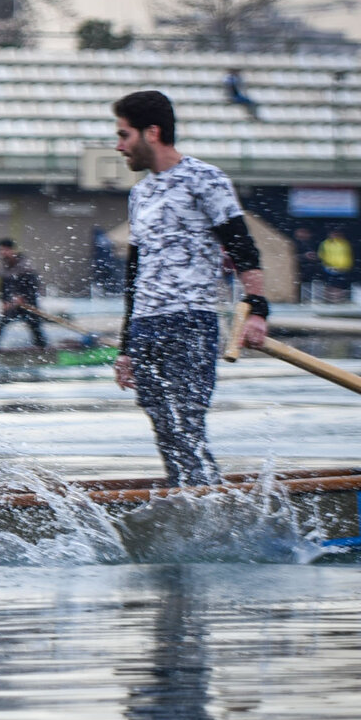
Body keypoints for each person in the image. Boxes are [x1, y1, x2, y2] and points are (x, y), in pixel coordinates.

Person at [112, 89, 269, 488]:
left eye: (124, 135)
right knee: (164, 427)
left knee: (186, 425)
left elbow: (241, 246)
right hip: (146, 325)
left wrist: (258, 309)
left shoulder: (205, 178)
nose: (119, 146)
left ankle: (208, 505)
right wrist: (125, 347)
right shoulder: (140, 193)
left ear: (152, 133)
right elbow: (135, 272)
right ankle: (190, 496)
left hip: (190, 323)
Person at [0, 238, 47, 349]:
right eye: (1, 250)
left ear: (13, 250)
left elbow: (33, 286)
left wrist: (23, 298)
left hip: (28, 305)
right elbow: (1, 288)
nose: (3, 253)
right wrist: (4, 302)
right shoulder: (2, 268)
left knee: (35, 326)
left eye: (6, 250)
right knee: (0, 325)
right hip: (12, 305)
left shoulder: (26, 266)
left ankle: (42, 349)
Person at [319, 227, 354, 303]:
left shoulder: (345, 243)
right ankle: (329, 300)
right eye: (334, 233)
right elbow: (322, 255)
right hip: (330, 268)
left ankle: (337, 300)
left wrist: (346, 266)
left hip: (343, 268)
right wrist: (328, 264)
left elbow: (347, 255)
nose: (335, 235)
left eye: (337, 233)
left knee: (339, 285)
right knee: (331, 284)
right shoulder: (325, 243)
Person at [292, 226, 322, 303]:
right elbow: (291, 257)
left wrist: (314, 257)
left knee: (312, 283)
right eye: (301, 232)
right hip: (299, 268)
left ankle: (312, 299)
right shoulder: (294, 243)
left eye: (305, 232)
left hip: (312, 269)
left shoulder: (314, 243)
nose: (303, 234)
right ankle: (302, 299)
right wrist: (303, 256)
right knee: (302, 284)